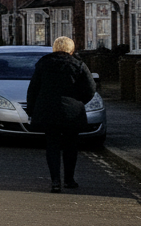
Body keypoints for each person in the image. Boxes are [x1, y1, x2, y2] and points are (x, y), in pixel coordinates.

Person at [26, 36, 96, 193]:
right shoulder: (78, 65)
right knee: (71, 145)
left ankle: (55, 181)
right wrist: (79, 102)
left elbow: (33, 89)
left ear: (54, 48)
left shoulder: (43, 64)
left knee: (52, 145)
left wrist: (32, 109)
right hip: (71, 112)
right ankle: (69, 180)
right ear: (71, 49)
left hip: (48, 110)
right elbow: (91, 88)